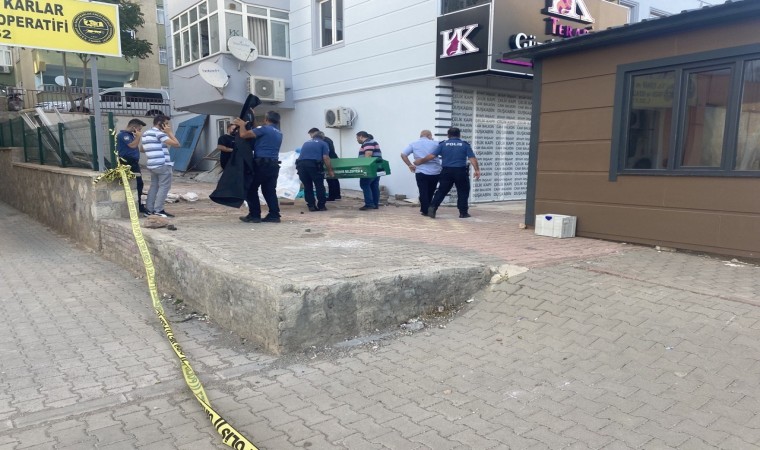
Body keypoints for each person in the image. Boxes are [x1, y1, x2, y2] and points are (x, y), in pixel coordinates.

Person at [414, 127, 480, 219]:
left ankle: (432, 208)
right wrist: (477, 170)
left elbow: (432, 156)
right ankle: (463, 213)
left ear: (448, 135)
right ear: (459, 135)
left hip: (446, 171)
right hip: (460, 171)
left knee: (441, 191)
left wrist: (420, 161)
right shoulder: (465, 145)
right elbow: (472, 158)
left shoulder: (443, 144)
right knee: (463, 191)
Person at [233, 110, 283, 223]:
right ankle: (274, 215)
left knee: (250, 188)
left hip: (261, 164)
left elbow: (244, 135)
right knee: (269, 190)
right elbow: (257, 130)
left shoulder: (264, 129)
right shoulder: (278, 132)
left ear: (266, 119)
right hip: (273, 165)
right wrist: (252, 117)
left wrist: (242, 125)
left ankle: (254, 215)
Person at [141, 115, 180, 218]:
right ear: (160, 123)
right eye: (166, 124)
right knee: (164, 187)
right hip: (162, 164)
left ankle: (149, 210)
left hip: (152, 164)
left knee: (154, 187)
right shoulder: (159, 133)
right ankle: (159, 210)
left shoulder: (146, 133)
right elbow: (177, 144)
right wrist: (169, 132)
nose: (167, 126)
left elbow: (142, 149)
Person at [401, 130, 441, 216]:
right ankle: (429, 207)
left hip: (421, 171)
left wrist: (410, 165)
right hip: (435, 171)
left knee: (423, 191)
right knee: (431, 190)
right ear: (429, 135)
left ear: (421, 135)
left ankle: (425, 210)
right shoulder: (436, 143)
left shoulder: (414, 143)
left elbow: (403, 154)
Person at [297, 131, 335, 212]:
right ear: (322, 137)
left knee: (307, 186)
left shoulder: (306, 143)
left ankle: (311, 206)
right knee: (319, 185)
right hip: (314, 165)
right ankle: (321, 206)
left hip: (301, 166)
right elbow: (326, 157)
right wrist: (330, 170)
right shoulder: (323, 143)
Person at [116, 118, 147, 214]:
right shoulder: (123, 135)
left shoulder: (131, 135)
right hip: (127, 162)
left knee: (139, 184)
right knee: (136, 183)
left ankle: (139, 205)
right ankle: (137, 206)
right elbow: (132, 146)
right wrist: (138, 137)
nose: (140, 131)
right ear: (134, 127)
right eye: (139, 129)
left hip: (133, 162)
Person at [309, 127, 341, 201]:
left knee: (330, 179)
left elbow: (326, 154)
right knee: (334, 178)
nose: (311, 137)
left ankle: (332, 196)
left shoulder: (324, 141)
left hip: (329, 160)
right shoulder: (327, 139)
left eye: (311, 134)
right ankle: (337, 195)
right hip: (333, 159)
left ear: (315, 133)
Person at [356, 131, 382, 210]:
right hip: (377, 167)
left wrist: (365, 168)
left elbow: (368, 155)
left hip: (370, 168)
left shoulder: (368, 143)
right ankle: (375, 204)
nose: (357, 140)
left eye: (357, 138)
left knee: (365, 184)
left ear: (361, 136)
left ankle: (369, 204)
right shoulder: (372, 142)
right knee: (374, 185)